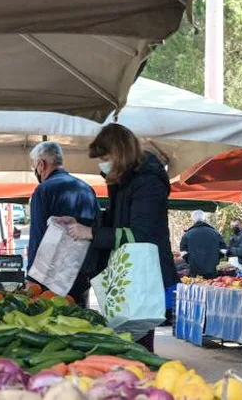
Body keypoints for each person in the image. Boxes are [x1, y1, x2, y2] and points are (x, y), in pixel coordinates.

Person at [65, 123, 176, 352]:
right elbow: (116, 220)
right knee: (126, 339)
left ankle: (142, 380)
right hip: (128, 275)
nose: (102, 163)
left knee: (138, 343)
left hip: (144, 275)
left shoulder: (148, 181)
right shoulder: (124, 180)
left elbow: (141, 234)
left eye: (105, 156)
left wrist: (92, 233)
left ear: (120, 152)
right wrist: (80, 224)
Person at [26, 141, 99, 306]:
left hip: (50, 275)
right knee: (78, 321)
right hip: (81, 272)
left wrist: (31, 278)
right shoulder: (87, 189)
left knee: (52, 323)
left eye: (35, 166)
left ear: (41, 164)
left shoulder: (44, 190)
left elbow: (37, 234)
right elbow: (96, 229)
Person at [180, 210, 227, 279]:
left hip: (194, 271)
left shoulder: (187, 235)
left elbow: (183, 252)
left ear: (193, 219)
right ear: (204, 219)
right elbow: (223, 249)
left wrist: (190, 261)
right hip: (211, 270)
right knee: (212, 287)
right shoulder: (215, 233)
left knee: (196, 288)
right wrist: (216, 259)